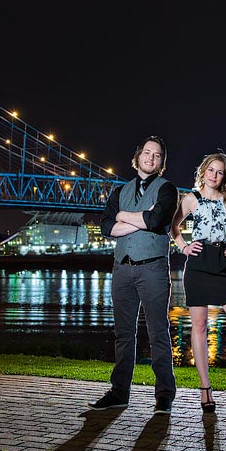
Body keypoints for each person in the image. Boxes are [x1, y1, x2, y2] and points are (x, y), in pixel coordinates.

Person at [89, 136, 179, 415]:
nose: (151, 158)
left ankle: (164, 396)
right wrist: (136, 216)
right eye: (147, 153)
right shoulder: (120, 190)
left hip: (152, 268)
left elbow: (156, 221)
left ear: (162, 162)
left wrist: (122, 217)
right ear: (138, 156)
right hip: (122, 269)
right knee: (123, 334)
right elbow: (106, 227)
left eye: (157, 155)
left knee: (158, 333)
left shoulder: (168, 190)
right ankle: (119, 393)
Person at [171, 152, 226, 415]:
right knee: (199, 327)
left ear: (225, 176)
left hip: (224, 266)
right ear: (203, 171)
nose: (214, 175)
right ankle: (205, 388)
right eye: (211, 170)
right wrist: (184, 247)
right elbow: (173, 227)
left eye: (220, 172)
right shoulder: (191, 199)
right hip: (198, 266)